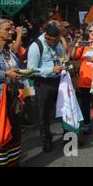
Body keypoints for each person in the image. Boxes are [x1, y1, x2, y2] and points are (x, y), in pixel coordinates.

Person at [27, 20, 66, 153]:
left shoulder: (59, 42)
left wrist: (64, 65)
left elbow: (62, 57)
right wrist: (50, 70)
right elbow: (30, 70)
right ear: (46, 36)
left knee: (65, 110)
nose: (54, 43)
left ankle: (69, 136)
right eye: (51, 41)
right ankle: (46, 140)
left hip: (59, 81)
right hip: (44, 84)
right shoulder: (36, 46)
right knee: (43, 114)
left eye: (56, 40)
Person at [0, 19, 23, 166]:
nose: (11, 31)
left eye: (12, 28)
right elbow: (7, 73)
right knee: (1, 134)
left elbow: (17, 71)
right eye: (7, 29)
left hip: (13, 97)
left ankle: (13, 163)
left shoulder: (9, 50)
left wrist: (23, 87)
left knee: (14, 133)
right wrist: (7, 75)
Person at [70, 22, 93, 135]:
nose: (92, 33)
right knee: (85, 104)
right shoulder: (84, 44)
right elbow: (74, 56)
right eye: (91, 31)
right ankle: (87, 124)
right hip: (85, 80)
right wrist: (75, 44)